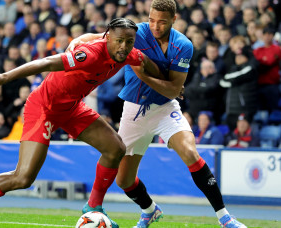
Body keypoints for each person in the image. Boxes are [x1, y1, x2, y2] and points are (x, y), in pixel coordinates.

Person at [0, 18, 166, 228]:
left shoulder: (128, 54)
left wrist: (168, 82)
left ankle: (93, 206)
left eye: (129, 42)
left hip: (71, 108)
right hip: (44, 108)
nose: (124, 47)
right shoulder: (89, 54)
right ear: (108, 37)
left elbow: (146, 62)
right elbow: (47, 62)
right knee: (23, 178)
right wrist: (4, 77)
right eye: (119, 41)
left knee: (116, 148)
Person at [68, 0, 247, 227]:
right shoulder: (137, 32)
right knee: (123, 180)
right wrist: (76, 42)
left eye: (162, 22)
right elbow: (97, 37)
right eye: (152, 20)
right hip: (133, 111)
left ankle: (225, 218)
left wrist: (142, 74)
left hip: (165, 109)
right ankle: (149, 210)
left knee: (190, 152)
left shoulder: (183, 45)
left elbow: (173, 90)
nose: (155, 26)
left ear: (174, 20)